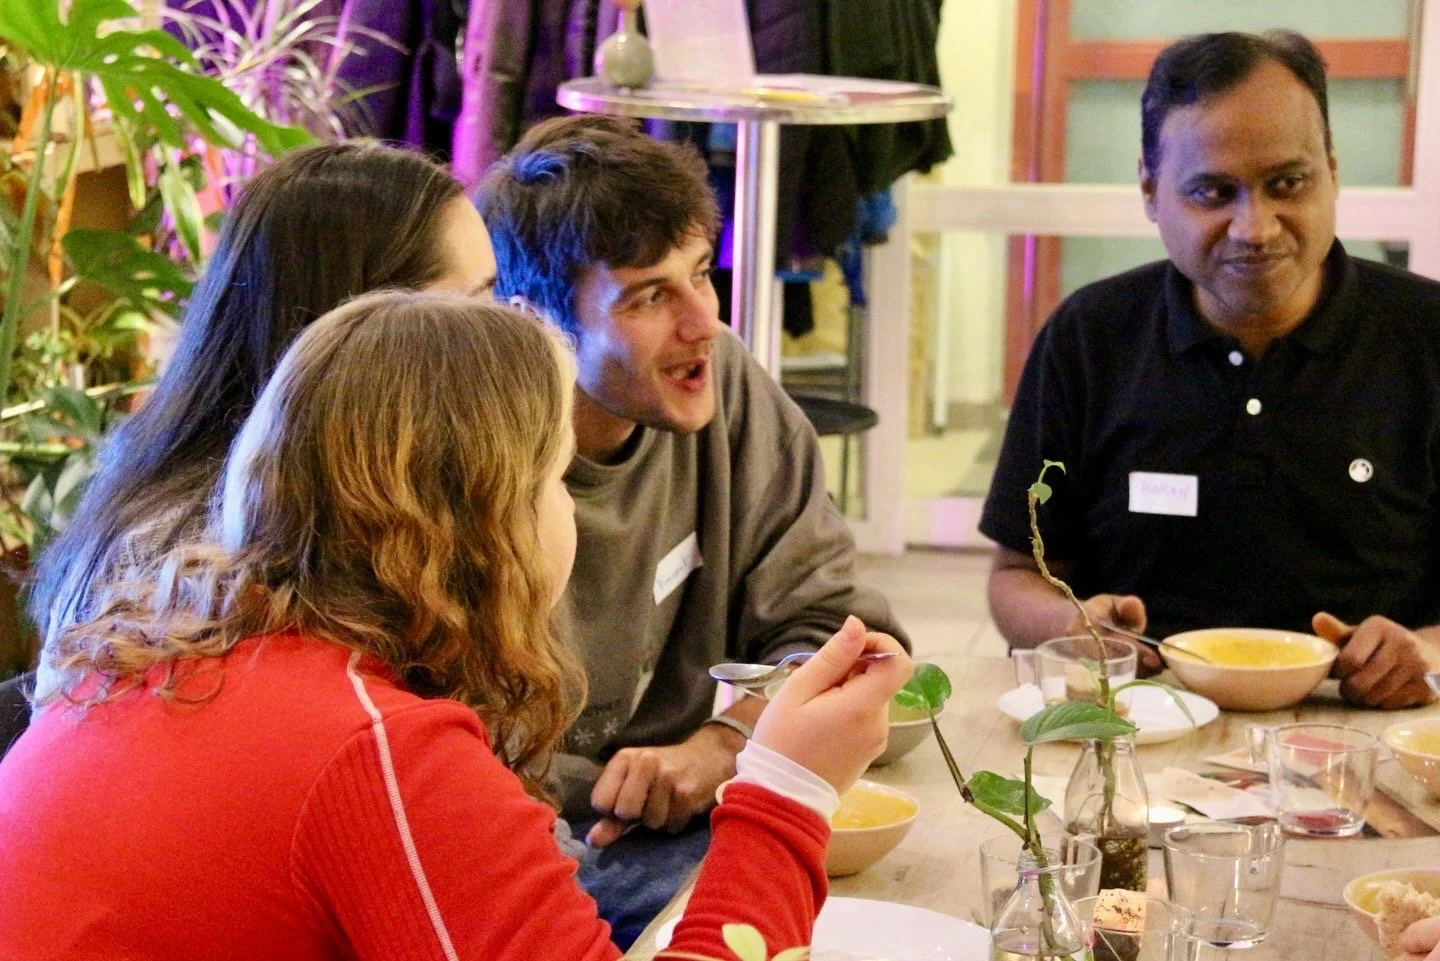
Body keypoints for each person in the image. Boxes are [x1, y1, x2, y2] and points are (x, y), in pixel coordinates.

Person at [0, 291, 913, 958]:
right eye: (556, 477)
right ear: (483, 520)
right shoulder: (378, 749)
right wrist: (789, 785)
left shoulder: (139, 655)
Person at [476, 114, 908, 939]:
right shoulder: (476, 466)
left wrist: (722, 740)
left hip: (702, 817)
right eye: (648, 295)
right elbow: (450, 764)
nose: (701, 320)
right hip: (552, 849)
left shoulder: (722, 381)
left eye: (701, 274)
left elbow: (836, 631)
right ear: (535, 320)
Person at [980, 30, 1438, 709]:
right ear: (1149, 189)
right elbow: (1018, 574)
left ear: (1333, 171)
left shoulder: (1425, 336)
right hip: (1142, 730)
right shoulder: (1091, 338)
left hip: (1372, 731)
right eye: (1213, 192)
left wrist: (1426, 651)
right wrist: (1073, 628)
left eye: (1288, 183)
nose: (1255, 227)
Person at [29, 140, 497, 676]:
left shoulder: (362, 493)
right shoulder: (196, 560)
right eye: (477, 306)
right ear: (365, 327)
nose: (502, 338)